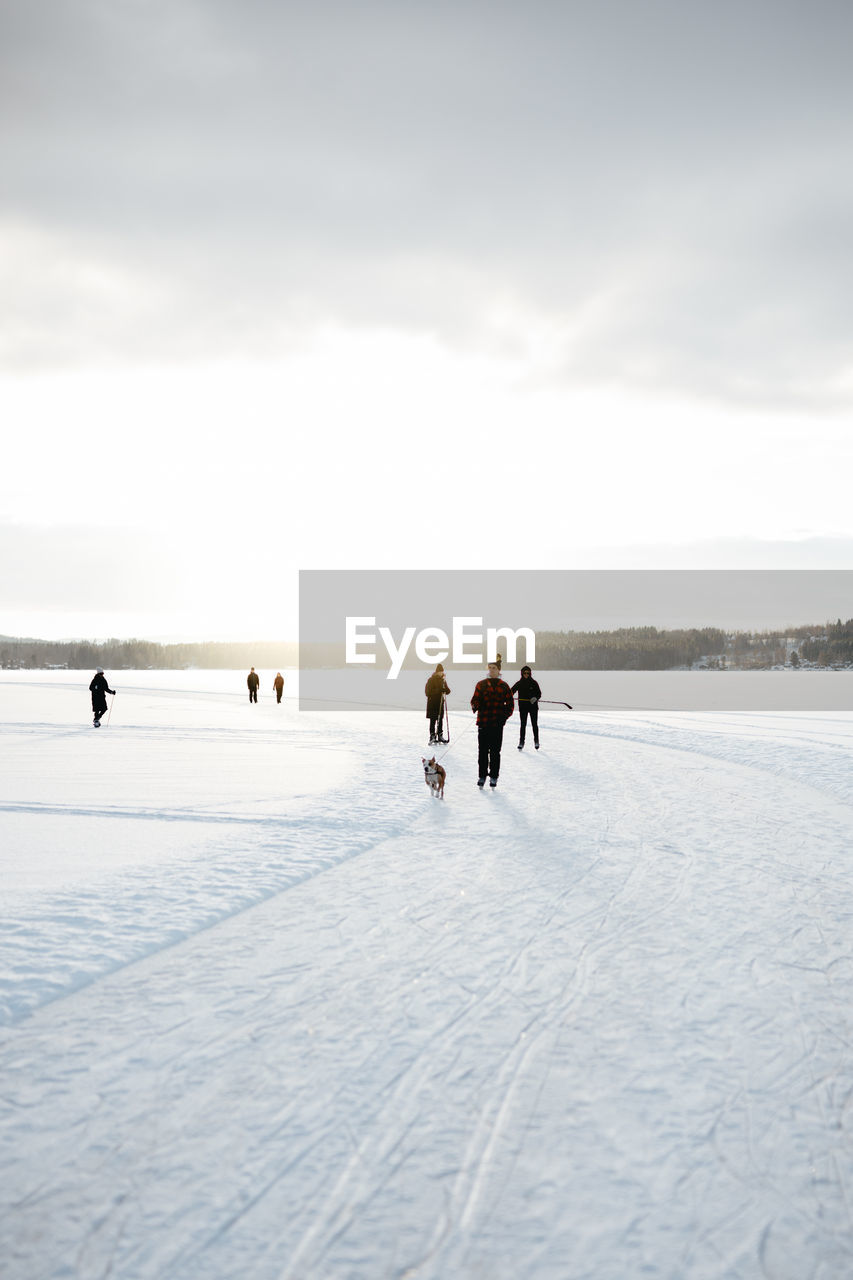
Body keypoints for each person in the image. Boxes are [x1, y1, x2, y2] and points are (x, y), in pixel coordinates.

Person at [470, 659, 514, 788]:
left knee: (495, 752)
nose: (492, 670)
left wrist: (504, 717)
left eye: (494, 667)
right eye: (490, 667)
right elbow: (473, 700)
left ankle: (494, 776)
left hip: (497, 724)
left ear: (499, 670)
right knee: (482, 751)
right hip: (483, 722)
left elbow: (510, 705)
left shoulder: (504, 686)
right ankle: (482, 775)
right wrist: (477, 704)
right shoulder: (481, 684)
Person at [510, 665, 543, 749]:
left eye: (528, 673)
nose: (526, 674)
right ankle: (521, 742)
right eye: (524, 673)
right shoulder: (519, 683)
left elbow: (539, 693)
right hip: (523, 707)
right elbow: (511, 691)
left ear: (530, 673)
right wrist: (507, 696)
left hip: (533, 707)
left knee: (534, 724)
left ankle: (536, 741)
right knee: (523, 725)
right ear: (522, 673)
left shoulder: (534, 682)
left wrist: (535, 698)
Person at [424, 662, 451, 744]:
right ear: (437, 672)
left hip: (440, 703)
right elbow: (427, 692)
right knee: (433, 720)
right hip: (432, 703)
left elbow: (448, 691)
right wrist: (438, 690)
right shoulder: (431, 680)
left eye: (442, 671)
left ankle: (440, 735)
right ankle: (432, 735)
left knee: (440, 720)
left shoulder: (443, 680)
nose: (441, 673)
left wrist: (445, 690)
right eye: (440, 671)